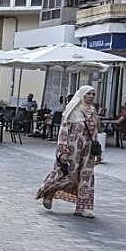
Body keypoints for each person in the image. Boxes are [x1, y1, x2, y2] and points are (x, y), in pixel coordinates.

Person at [35, 86, 99, 218]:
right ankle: (50, 191)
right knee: (69, 175)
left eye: (93, 94)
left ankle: (84, 207)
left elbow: (95, 132)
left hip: (88, 150)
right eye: (88, 94)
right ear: (82, 95)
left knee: (86, 176)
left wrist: (97, 151)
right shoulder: (72, 110)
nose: (91, 96)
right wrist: (63, 151)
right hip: (73, 148)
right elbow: (63, 132)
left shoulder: (93, 111)